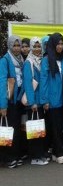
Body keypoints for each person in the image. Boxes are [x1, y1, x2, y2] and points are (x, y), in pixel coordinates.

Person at [40, 33, 63, 164]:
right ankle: (59, 152)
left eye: (62, 44)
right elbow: (43, 80)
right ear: (52, 44)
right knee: (55, 126)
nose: (60, 46)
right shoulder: (46, 59)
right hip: (51, 99)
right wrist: (44, 99)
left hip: (62, 98)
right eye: (58, 44)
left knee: (59, 125)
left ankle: (55, 152)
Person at [22, 37, 48, 165]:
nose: (37, 49)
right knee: (34, 130)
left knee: (39, 129)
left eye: (39, 47)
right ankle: (35, 157)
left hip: (40, 101)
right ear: (31, 47)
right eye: (35, 46)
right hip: (33, 103)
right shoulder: (29, 63)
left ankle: (40, 154)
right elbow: (28, 84)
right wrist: (32, 102)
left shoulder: (41, 60)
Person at [0, 36, 25, 168]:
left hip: (17, 101)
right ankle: (7, 158)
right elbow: (2, 83)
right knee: (7, 130)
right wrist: (3, 105)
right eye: (14, 45)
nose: (16, 48)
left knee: (15, 129)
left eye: (18, 45)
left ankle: (14, 155)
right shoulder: (5, 60)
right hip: (8, 101)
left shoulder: (20, 59)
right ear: (10, 46)